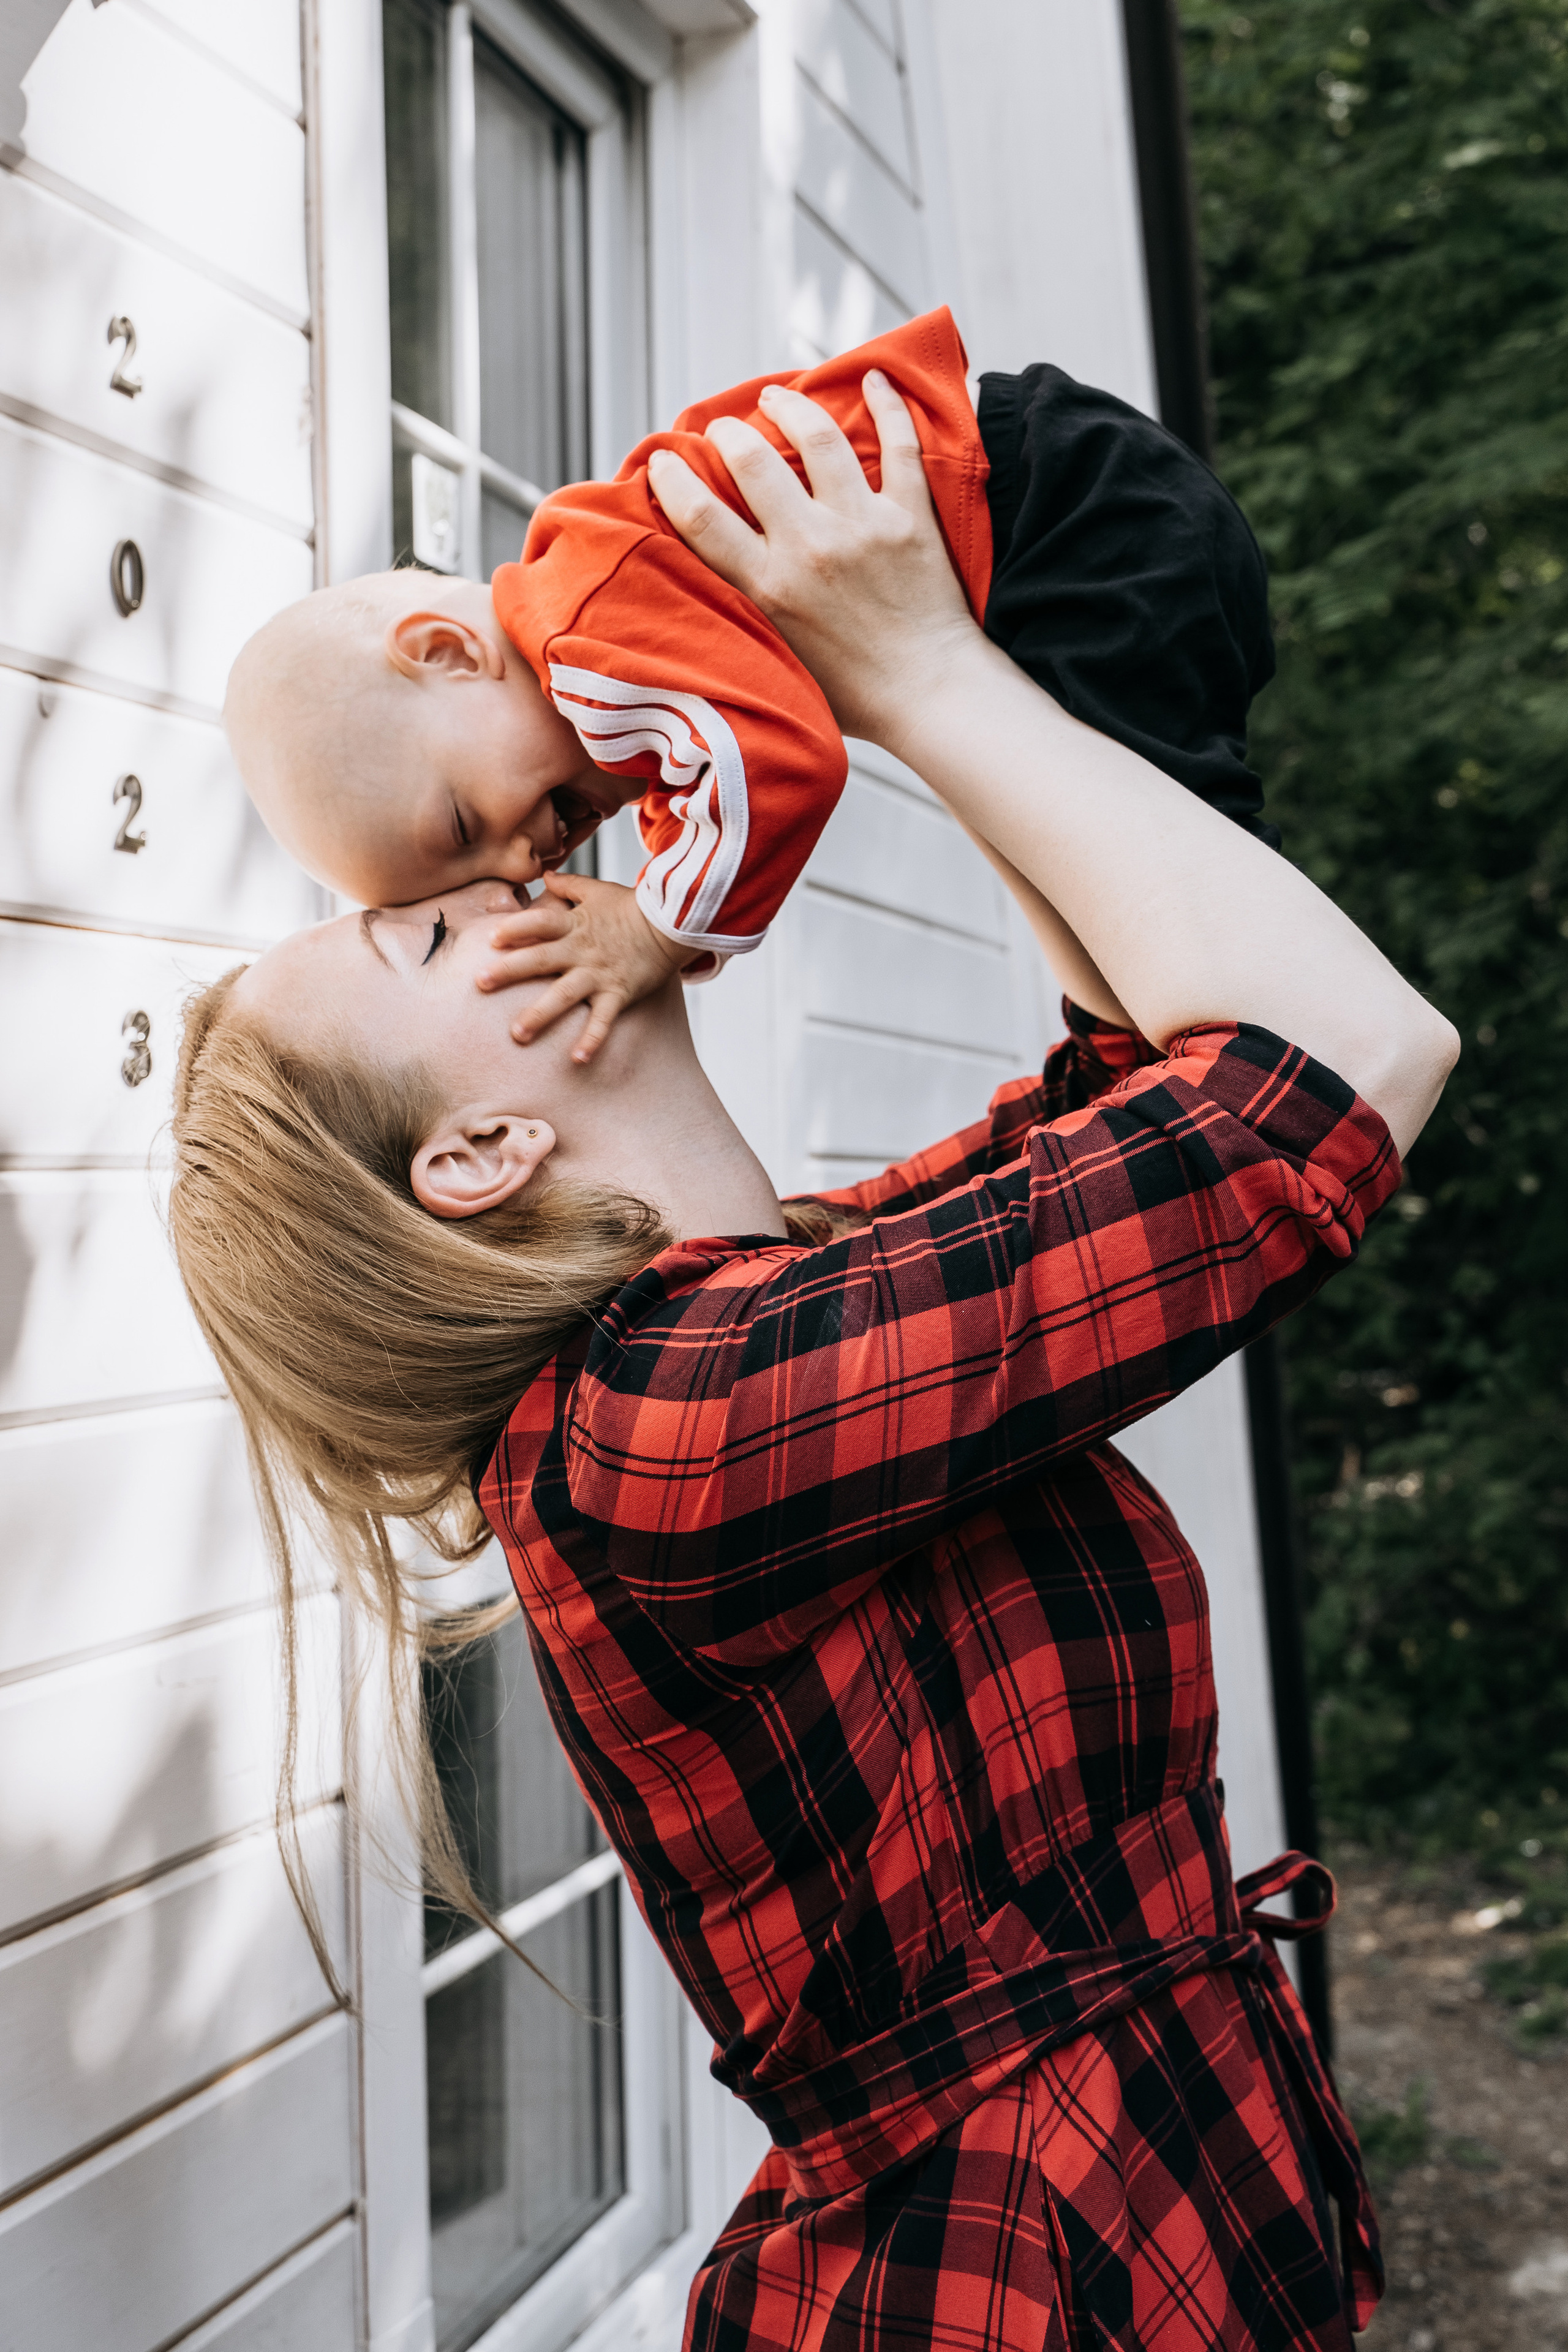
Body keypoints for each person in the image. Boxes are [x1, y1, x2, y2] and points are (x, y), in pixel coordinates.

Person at [170, 377, 1458, 2349]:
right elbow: (1339, 1075)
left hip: (1127, 2223)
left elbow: (1153, 1063)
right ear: (477, 1155)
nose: (514, 875)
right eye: (425, 940)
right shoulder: (673, 1423)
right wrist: (916, 662)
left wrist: (913, 666)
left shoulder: (787, 1297)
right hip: (1011, 2281)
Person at [223, 307, 1274, 1061]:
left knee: (1180, 854)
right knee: (1101, 826)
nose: (519, 864)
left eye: (461, 823)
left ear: (449, 655)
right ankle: (1164, 1030)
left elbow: (775, 763)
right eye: (476, 880)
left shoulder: (581, 634)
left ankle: (1258, 1012)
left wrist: (652, 927)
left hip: (1061, 512)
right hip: (1065, 504)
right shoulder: (605, 600)